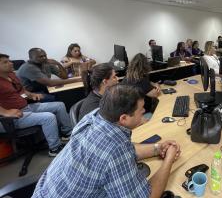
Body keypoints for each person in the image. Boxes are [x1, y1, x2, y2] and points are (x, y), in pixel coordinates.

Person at [32, 85, 181, 198]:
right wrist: (168, 160)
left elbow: (125, 150)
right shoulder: (115, 149)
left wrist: (157, 148)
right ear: (123, 118)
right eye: (141, 110)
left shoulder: (95, 116)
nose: (144, 112)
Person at [0, 54, 71, 156]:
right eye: (5, 62)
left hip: (26, 107)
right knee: (48, 117)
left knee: (59, 105)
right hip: (12, 118)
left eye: (9, 60)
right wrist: (6, 112)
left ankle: (67, 133)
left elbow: (21, 91)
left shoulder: (11, 75)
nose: (11, 63)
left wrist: (31, 95)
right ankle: (54, 149)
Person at [17, 48, 82, 102]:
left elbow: (64, 77)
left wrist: (58, 64)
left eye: (45, 55)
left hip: (44, 89)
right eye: (40, 56)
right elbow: (50, 83)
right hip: (30, 94)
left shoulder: (46, 63)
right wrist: (76, 80)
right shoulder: (29, 67)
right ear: (31, 58)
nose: (44, 58)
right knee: (60, 99)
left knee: (69, 94)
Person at [122, 53, 161, 120]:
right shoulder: (140, 79)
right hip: (137, 115)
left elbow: (146, 84)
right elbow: (156, 94)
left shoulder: (129, 76)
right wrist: (158, 85)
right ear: (145, 66)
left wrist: (153, 84)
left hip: (128, 112)